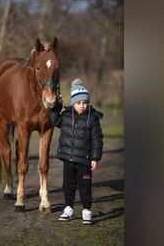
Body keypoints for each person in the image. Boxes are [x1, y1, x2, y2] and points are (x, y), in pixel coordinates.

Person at [49, 78, 104, 225]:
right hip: (69, 159)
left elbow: (97, 140)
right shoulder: (66, 116)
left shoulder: (92, 119)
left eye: (85, 103)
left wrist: (95, 158)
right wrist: (57, 105)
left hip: (85, 160)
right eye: (79, 103)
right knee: (68, 185)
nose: (82, 106)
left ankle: (86, 210)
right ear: (74, 103)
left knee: (85, 186)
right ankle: (68, 208)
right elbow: (53, 119)